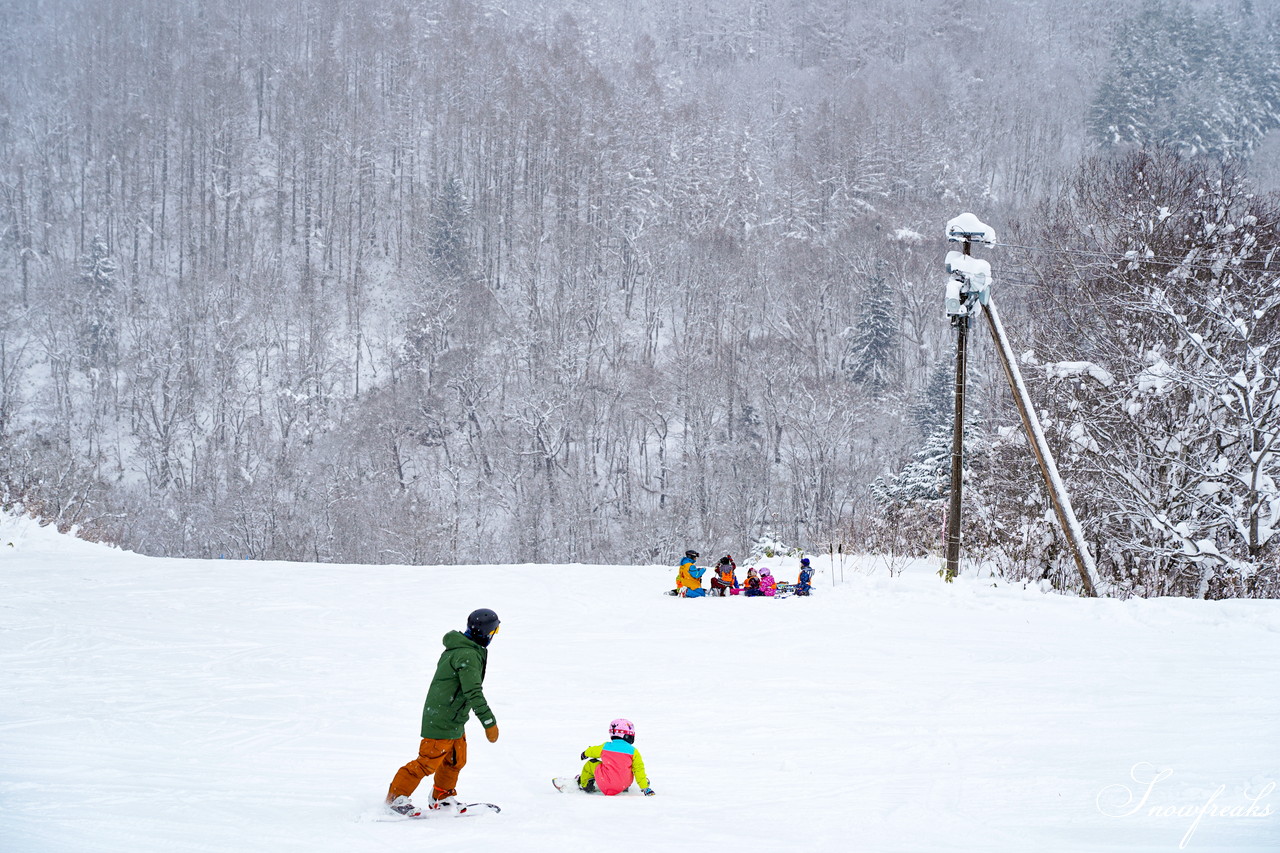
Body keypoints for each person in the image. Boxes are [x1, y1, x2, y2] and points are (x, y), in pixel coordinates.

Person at [386, 608, 501, 816]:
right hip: (443, 717)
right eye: (494, 632)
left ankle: (442, 795)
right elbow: (473, 691)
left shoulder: (466, 649)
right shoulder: (466, 654)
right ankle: (395, 799)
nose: (494, 636)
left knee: (456, 759)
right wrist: (488, 721)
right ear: (485, 633)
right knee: (427, 762)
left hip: (455, 716)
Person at [575, 719, 655, 796]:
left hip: (605, 784)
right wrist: (645, 787)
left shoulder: (605, 747)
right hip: (624, 783)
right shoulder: (633, 751)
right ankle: (623, 787)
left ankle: (584, 784)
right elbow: (639, 770)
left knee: (591, 763)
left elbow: (592, 751)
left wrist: (585, 753)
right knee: (629, 767)